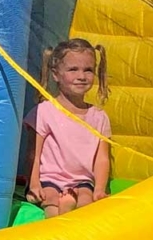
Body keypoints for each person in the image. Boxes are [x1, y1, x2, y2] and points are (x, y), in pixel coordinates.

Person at [24, 38, 112, 218]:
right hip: (50, 179)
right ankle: (61, 212)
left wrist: (100, 189)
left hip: (83, 181)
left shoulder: (99, 116)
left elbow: (102, 158)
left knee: (86, 202)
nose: (82, 76)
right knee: (50, 201)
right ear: (56, 74)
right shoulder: (44, 111)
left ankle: (69, 208)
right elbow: (34, 152)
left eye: (88, 70)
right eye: (73, 69)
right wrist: (33, 184)